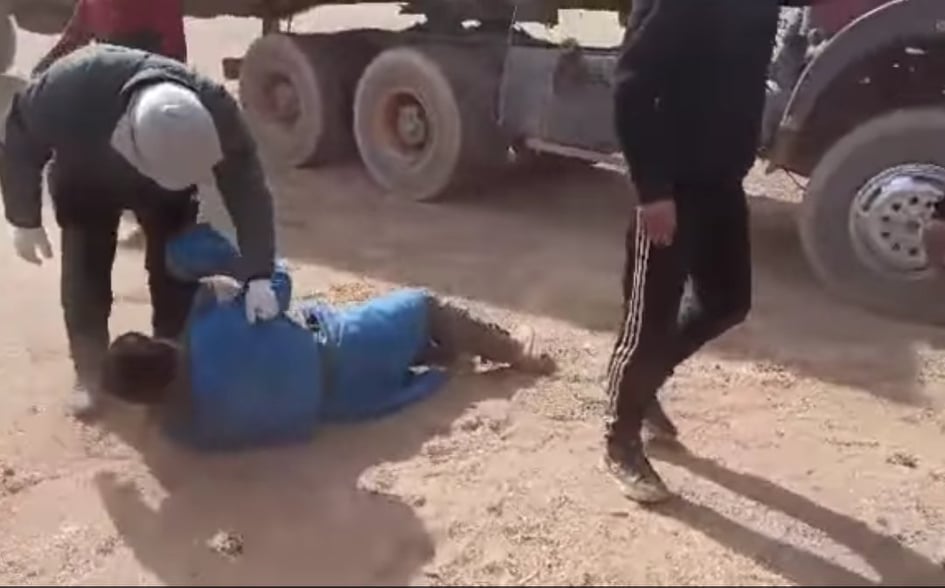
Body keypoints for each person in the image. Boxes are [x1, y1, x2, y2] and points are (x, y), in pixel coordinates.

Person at [606, 0, 819, 504]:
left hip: (721, 181)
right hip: (671, 186)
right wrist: (653, 191)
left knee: (727, 301)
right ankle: (620, 439)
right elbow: (632, 87)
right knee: (648, 322)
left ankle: (645, 383)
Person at [0, 45, 278, 418]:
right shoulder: (72, 85)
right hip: (84, 180)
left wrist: (259, 272)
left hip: (165, 196)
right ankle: (90, 373)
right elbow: (20, 133)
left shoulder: (215, 109)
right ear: (127, 137)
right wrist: (24, 217)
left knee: (174, 269)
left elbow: (247, 185)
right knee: (85, 271)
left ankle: (169, 366)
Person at [99, 225, 556, 451]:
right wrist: (230, 261)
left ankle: (441, 355)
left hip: (339, 409)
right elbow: (278, 282)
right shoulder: (213, 329)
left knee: (405, 342)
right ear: (162, 345)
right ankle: (516, 352)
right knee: (423, 306)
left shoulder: (183, 432)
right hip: (341, 349)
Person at [32, 0, 186, 76]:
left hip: (149, 76)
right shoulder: (92, 4)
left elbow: (174, 47)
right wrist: (42, 68)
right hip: (109, 79)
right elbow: (72, 41)